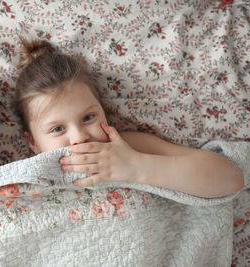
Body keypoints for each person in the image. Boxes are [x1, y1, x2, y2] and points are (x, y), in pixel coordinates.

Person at [14, 38, 244, 198]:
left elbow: (231, 178)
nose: (79, 138)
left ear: (104, 112)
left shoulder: (129, 146)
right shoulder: (25, 175)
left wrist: (135, 165)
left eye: (88, 118)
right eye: (57, 129)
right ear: (32, 142)